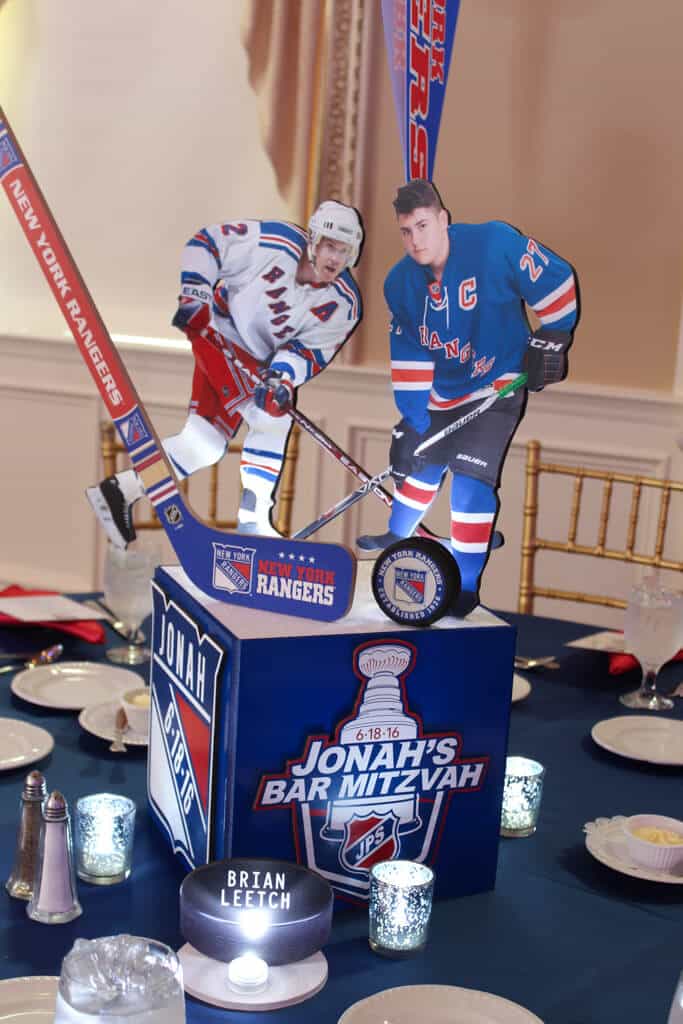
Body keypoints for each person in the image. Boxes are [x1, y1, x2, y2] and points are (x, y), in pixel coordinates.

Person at [358, 179, 579, 616]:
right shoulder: (399, 283)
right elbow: (410, 354)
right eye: (407, 231)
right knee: (420, 466)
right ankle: (398, 532)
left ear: (444, 219)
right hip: (445, 392)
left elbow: (555, 282)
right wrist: (411, 418)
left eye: (423, 225)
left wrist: (555, 333)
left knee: (469, 486)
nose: (416, 240)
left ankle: (465, 583)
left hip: (498, 386)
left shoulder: (494, 243)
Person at [86, 201, 363, 548]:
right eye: (328, 245)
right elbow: (206, 243)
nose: (334, 258)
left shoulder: (345, 304)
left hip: (257, 362)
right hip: (217, 333)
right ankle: (254, 522)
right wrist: (194, 293)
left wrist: (282, 376)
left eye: (344, 250)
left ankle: (118, 491)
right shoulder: (274, 243)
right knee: (272, 418)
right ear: (313, 239)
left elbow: (310, 352)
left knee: (203, 445)